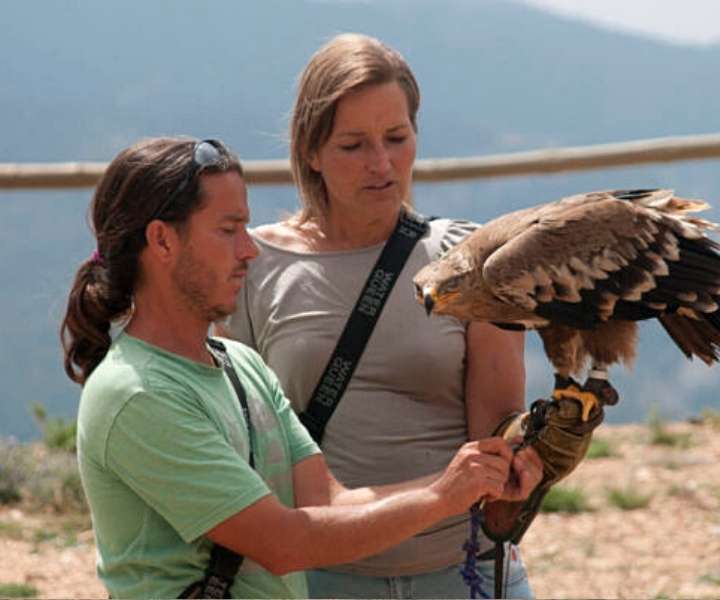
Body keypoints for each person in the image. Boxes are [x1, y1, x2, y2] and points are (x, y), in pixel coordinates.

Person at [60, 136, 542, 599]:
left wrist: (476, 477)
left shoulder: (241, 365)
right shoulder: (137, 394)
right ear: (162, 241)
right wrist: (442, 495)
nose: (249, 250)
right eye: (228, 230)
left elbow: (325, 503)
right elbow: (284, 543)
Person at [220, 33, 542, 599]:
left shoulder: (470, 261)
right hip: (317, 580)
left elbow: (496, 425)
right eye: (353, 145)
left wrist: (525, 456)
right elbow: (243, 445)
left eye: (397, 137)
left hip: (466, 570)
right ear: (311, 152)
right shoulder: (252, 267)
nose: (381, 163)